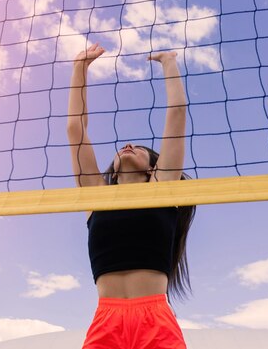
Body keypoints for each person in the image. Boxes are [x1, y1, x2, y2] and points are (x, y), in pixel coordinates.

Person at [67, 43, 195, 349]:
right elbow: (75, 129)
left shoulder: (162, 189)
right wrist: (79, 69)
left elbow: (177, 114)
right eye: (126, 146)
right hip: (106, 320)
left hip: (155, 319)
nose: (128, 145)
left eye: (139, 148)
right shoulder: (95, 196)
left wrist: (169, 63)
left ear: (153, 168)